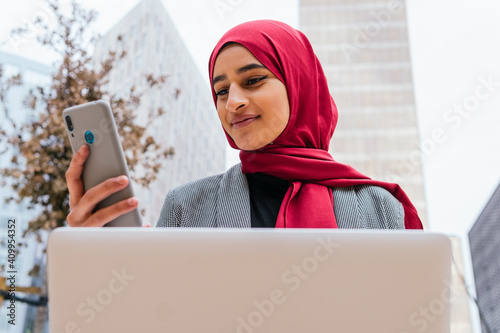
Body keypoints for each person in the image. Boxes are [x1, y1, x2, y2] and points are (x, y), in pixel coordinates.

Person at [65, 20, 422, 230]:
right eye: (221, 90)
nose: (232, 102)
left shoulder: (379, 208)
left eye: (252, 81)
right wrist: (95, 257)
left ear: (299, 85)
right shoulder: (185, 208)